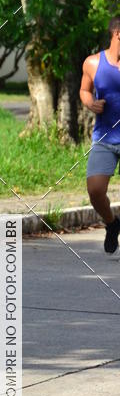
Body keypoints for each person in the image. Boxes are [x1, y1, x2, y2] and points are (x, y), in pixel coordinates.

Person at [80, 16, 120, 253]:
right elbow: (84, 90)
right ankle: (112, 223)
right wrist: (90, 103)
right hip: (105, 137)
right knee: (95, 191)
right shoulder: (92, 63)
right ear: (117, 33)